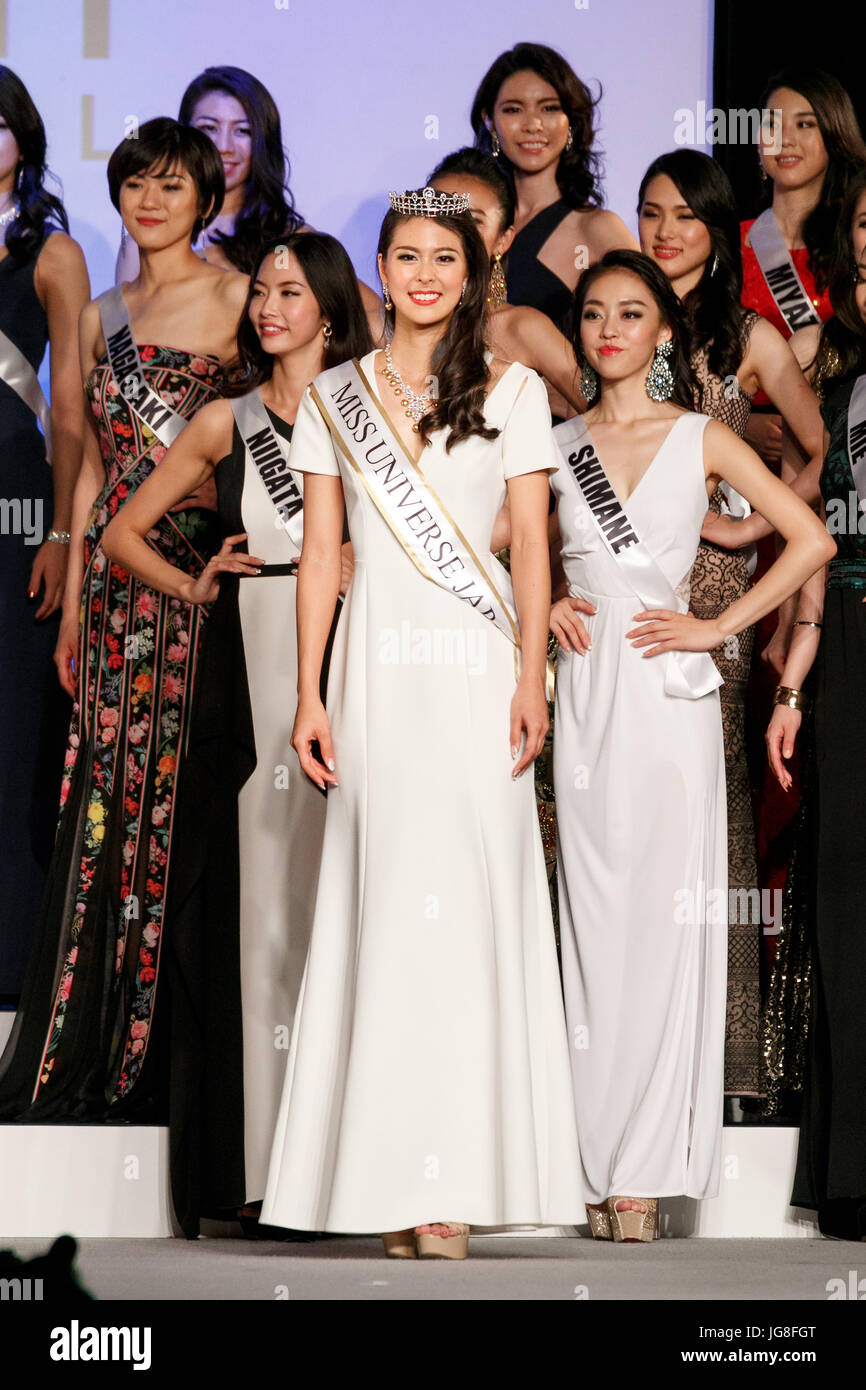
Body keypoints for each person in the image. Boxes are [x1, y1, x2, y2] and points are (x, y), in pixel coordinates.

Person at [260, 186, 584, 1258]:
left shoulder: (518, 389)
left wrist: (531, 677)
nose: (423, 274)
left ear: (472, 266)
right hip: (377, 682)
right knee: (385, 912)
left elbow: (532, 548)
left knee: (469, 916)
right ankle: (395, 1182)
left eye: (443, 255)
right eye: (404, 254)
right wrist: (309, 692)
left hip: (477, 677)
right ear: (382, 268)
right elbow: (320, 556)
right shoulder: (334, 395)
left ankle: (448, 1185)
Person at [550, 249, 833, 1240]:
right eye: (594, 313)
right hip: (582, 698)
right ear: (579, 330)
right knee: (589, 929)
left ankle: (638, 1181)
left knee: (663, 933)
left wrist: (717, 628)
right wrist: (541, 599)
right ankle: (585, 1164)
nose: (611, 329)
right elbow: (499, 550)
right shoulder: (551, 443)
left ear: (663, 332)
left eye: (632, 313)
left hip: (669, 695)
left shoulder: (700, 438)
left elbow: (808, 538)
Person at [102, 232, 371, 1236]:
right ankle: (252, 1166)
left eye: (289, 292)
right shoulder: (229, 418)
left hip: (354, 657)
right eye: (259, 290)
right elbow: (122, 530)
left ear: (331, 310)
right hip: (249, 660)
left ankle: (344, 1164)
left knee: (336, 909)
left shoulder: (373, 413)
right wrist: (195, 583)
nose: (266, 307)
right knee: (255, 919)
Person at [0, 118, 247, 1121]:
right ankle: (93, 1036)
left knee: (183, 808)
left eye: (172, 187)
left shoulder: (240, 295)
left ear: (205, 198)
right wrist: (69, 598)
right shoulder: (101, 311)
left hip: (202, 582)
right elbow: (94, 457)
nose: (152, 202)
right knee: (103, 802)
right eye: (136, 186)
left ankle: (173, 1049)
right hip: (111, 590)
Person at [637, 148, 824, 1099]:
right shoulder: (614, 320)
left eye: (685, 216)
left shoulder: (745, 334)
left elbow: (814, 441)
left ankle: (724, 1062)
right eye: (651, 213)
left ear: (715, 232)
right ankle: (623, 1047)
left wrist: (747, 524)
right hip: (624, 585)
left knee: (711, 816)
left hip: (713, 596)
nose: (665, 232)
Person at [765, 170, 866, 1239]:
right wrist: (791, 679)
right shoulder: (830, 376)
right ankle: (849, 1169)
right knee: (843, 901)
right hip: (845, 642)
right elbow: (812, 540)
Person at [0, 68, 90, 999]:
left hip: (19, 515)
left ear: (22, 137)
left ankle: (12, 988)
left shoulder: (51, 252)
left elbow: (70, 410)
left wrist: (64, 532)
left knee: (15, 742)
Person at [115, 66, 382, 334]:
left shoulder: (289, 238)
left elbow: (372, 317)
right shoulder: (149, 227)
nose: (224, 146)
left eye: (242, 131)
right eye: (208, 128)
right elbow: (123, 335)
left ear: (262, 142)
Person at [470, 42, 637, 332]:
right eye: (513, 110)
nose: (533, 124)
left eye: (549, 108)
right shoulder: (474, 219)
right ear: (490, 122)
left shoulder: (596, 228)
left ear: (571, 121)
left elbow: (649, 325)